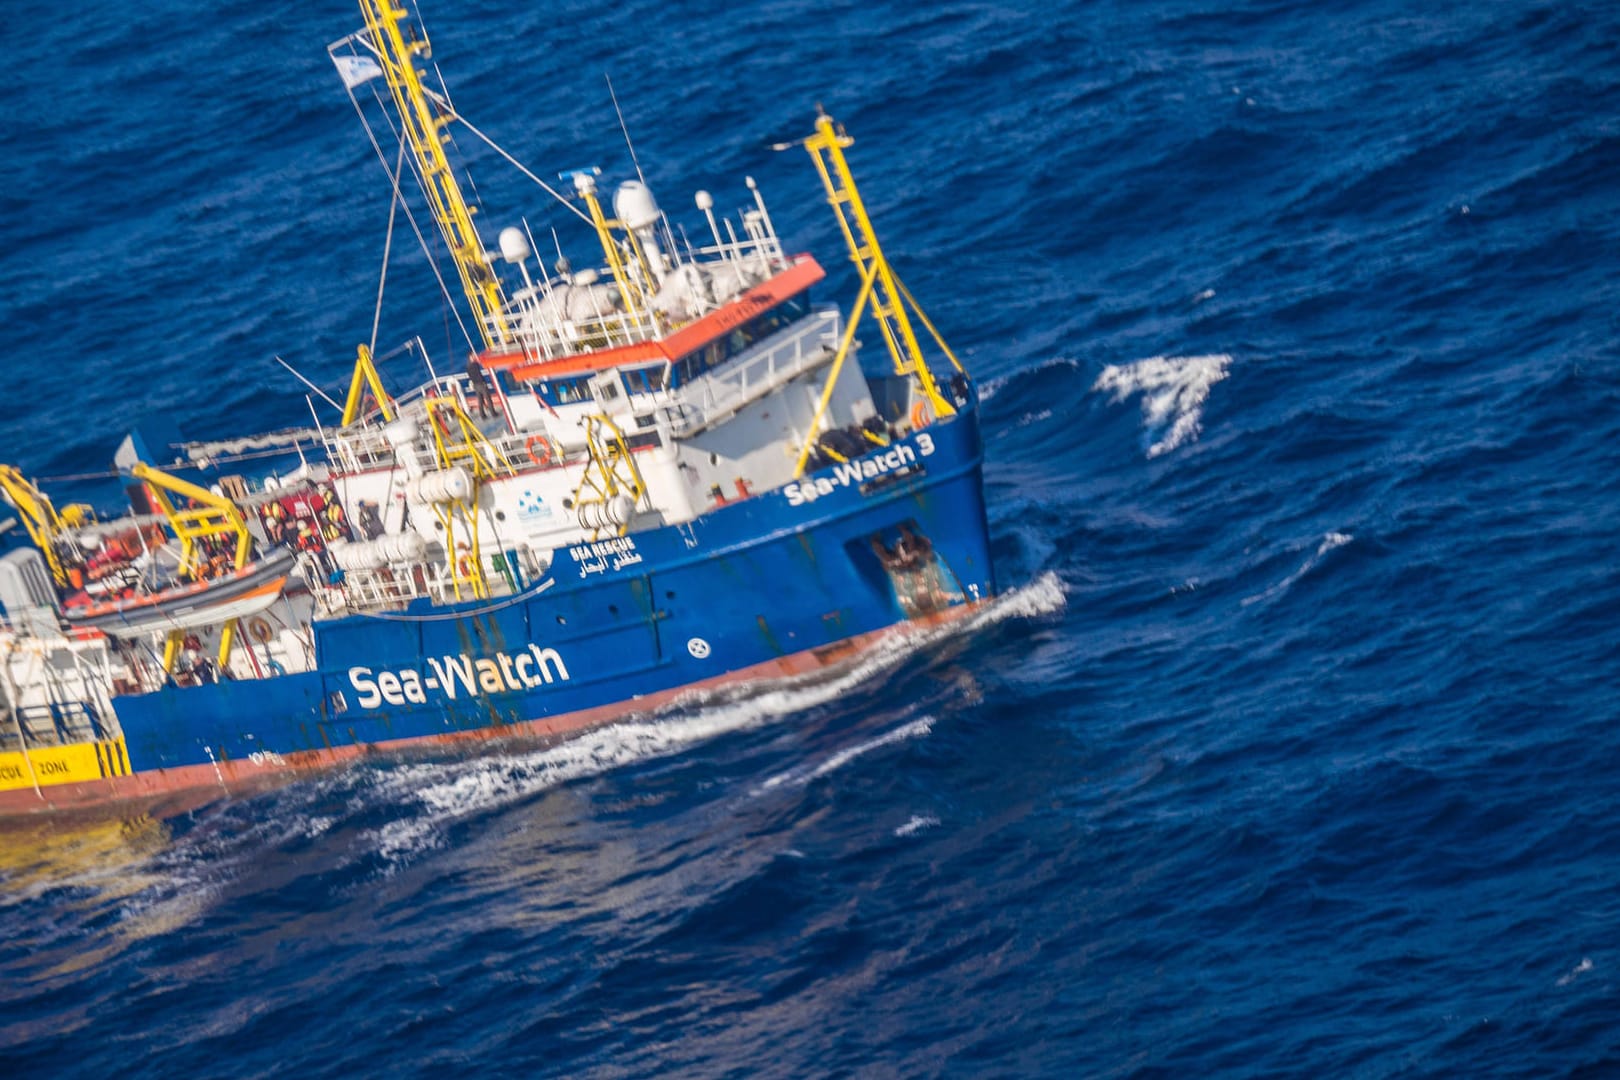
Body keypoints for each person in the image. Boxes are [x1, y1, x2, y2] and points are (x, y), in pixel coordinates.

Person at [467, 352, 496, 419]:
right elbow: (479, 371)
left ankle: (482, 415)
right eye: (473, 356)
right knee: (488, 399)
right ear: (470, 357)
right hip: (481, 384)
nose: (474, 356)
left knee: (480, 400)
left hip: (475, 385)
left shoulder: (468, 367)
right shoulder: (475, 364)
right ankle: (493, 413)